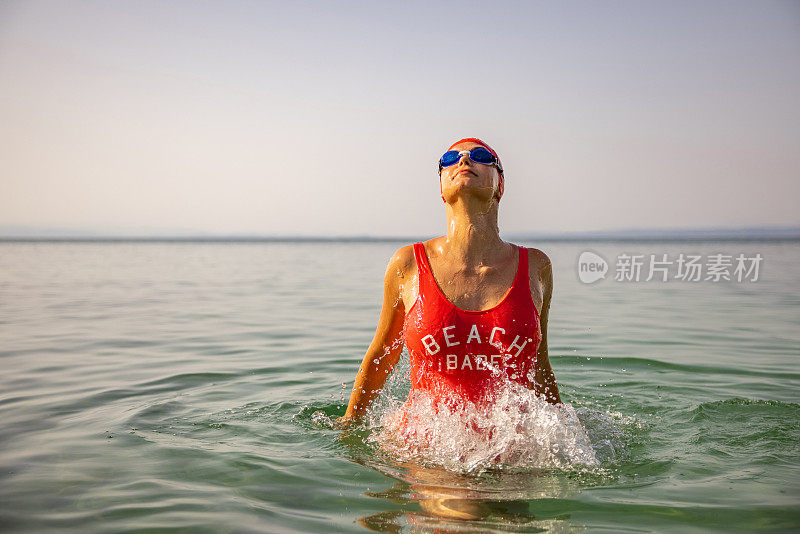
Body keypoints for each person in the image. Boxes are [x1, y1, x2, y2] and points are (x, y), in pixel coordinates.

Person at [340, 138, 560, 428]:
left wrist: (568, 433)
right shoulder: (407, 264)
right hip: (424, 453)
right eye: (450, 159)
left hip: (516, 451)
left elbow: (539, 366)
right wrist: (348, 428)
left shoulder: (536, 266)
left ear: (500, 186)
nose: (464, 160)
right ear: (442, 188)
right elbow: (381, 356)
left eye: (480, 156)